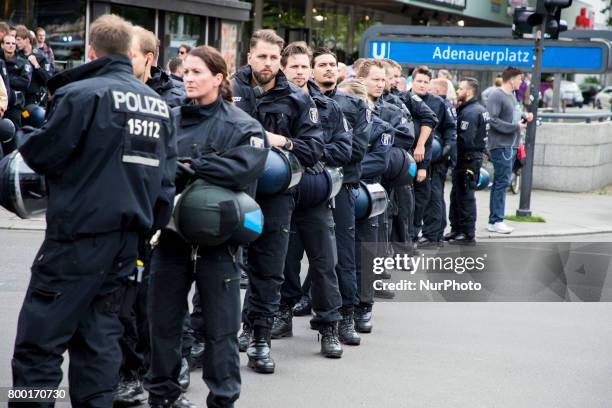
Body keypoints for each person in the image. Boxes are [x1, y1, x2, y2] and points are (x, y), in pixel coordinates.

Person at [10, 14, 176, 407]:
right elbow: (165, 187)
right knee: (100, 346)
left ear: (91, 50)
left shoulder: (83, 94)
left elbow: (41, 154)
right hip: (127, 244)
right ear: (129, 51)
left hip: (75, 241)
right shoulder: (157, 105)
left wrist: (24, 135)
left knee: (38, 346)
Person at [144, 45, 268, 408]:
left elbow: (245, 167)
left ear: (218, 78)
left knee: (221, 332)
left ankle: (223, 399)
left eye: (198, 72)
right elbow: (154, 166)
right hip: (169, 239)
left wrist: (191, 166)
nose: (189, 78)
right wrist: (192, 166)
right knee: (163, 327)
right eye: (186, 71)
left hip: (220, 243)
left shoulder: (242, 124)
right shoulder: (167, 117)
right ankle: (163, 397)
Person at [232, 29, 323, 374]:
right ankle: (208, 338)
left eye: (274, 58)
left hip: (276, 195)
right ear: (249, 57)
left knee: (268, 269)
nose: (268, 63)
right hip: (234, 192)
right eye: (262, 57)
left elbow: (314, 150)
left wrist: (278, 140)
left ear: (279, 60)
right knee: (221, 267)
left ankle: (260, 339)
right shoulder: (230, 89)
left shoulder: (298, 99)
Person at [275, 42, 348, 357]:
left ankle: (328, 326)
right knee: (281, 263)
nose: (301, 72)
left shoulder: (328, 107)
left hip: (315, 192)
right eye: (295, 67)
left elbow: (344, 149)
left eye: (305, 67)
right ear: (284, 68)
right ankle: (281, 314)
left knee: (323, 263)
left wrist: (310, 151)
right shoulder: (271, 103)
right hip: (279, 193)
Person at [312, 49, 370, 343]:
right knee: (293, 256)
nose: (327, 69)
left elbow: (354, 150)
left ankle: (345, 316)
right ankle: (279, 314)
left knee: (343, 256)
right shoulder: (302, 101)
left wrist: (314, 149)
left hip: (343, 186)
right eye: (321, 65)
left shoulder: (351, 104)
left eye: (332, 65)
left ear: (339, 71)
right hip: (305, 186)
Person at [337, 78, 393, 333]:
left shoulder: (381, 127)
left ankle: (364, 307)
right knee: (340, 251)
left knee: (365, 253)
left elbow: (379, 162)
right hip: (343, 188)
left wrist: (349, 171)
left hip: (369, 193)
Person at [485, 66, 532, 234]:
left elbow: (510, 117)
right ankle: (496, 220)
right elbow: (492, 120)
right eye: (520, 79)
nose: (522, 83)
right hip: (501, 146)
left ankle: (495, 220)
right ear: (511, 79)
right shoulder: (497, 95)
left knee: (502, 182)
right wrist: (514, 126)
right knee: (501, 183)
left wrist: (524, 117)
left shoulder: (511, 96)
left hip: (510, 145)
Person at [446, 78, 489, 245]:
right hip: (470, 159)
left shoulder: (470, 113)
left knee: (465, 196)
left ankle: (467, 233)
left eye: (461, 88)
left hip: (467, 160)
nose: (457, 91)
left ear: (469, 92)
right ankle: (457, 229)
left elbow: (465, 140)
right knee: (457, 195)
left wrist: (452, 154)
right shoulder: (474, 109)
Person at [405, 66, 444, 248]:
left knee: (420, 202)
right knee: (403, 204)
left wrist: (423, 166)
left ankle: (413, 238)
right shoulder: (402, 99)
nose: (422, 85)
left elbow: (429, 140)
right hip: (403, 160)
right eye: (419, 81)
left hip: (422, 161)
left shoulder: (436, 103)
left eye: (426, 82)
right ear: (412, 82)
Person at [419, 77, 457, 248]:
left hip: (437, 157)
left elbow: (449, 128)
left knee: (433, 195)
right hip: (438, 154)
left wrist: (446, 149)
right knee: (436, 195)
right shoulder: (444, 104)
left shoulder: (440, 104)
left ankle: (432, 235)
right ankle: (436, 233)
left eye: (428, 84)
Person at [15, 25, 52, 105]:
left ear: (27, 40)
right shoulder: (16, 55)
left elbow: (48, 79)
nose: (16, 42)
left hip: (34, 97)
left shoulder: (41, 56)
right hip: (18, 97)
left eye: (18, 40)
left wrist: (36, 65)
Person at [1, 33, 31, 127]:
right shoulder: (0, 61)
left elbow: (25, 83)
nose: (11, 45)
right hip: (1, 103)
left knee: (14, 130)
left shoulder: (23, 62)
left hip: (15, 104)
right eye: (8, 43)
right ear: (2, 45)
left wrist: (6, 79)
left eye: (13, 43)